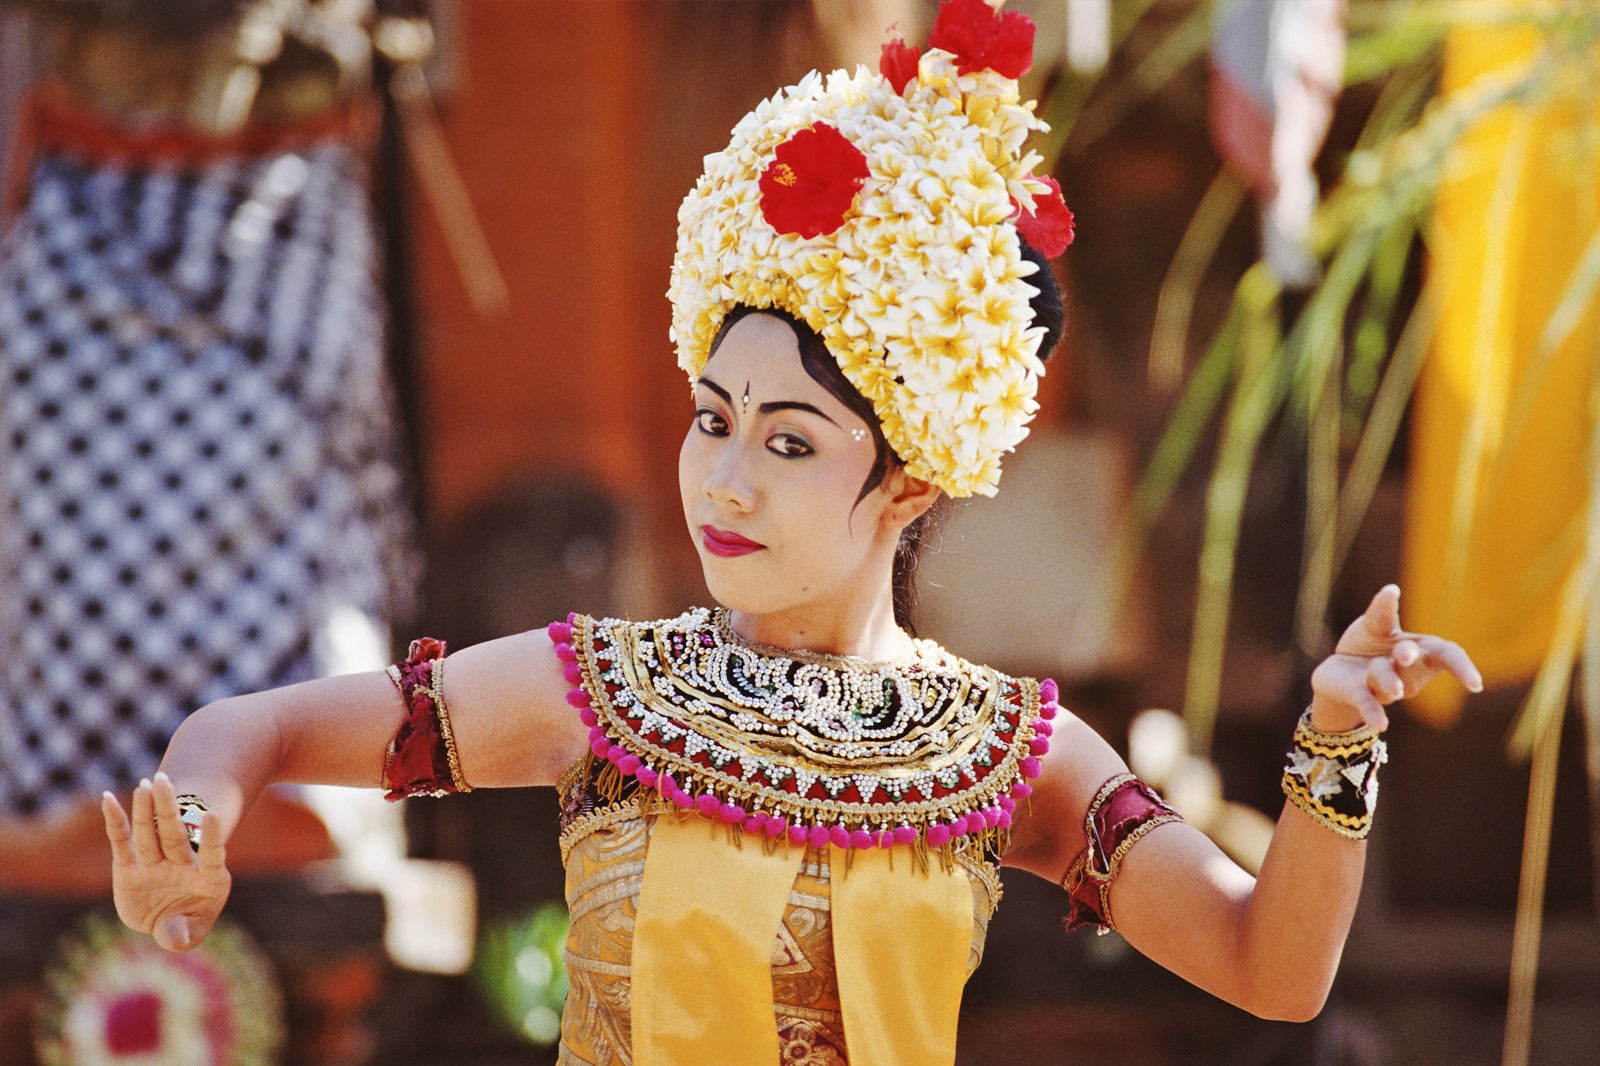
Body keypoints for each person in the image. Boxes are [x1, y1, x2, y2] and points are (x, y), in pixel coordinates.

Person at [102, 2, 1482, 1063]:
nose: (725, 481)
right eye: (714, 417)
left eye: (790, 441)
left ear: (913, 482)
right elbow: (259, 730)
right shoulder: (598, 695)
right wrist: (197, 822)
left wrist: (1335, 751)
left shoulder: (1013, 753)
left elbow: (1270, 965)